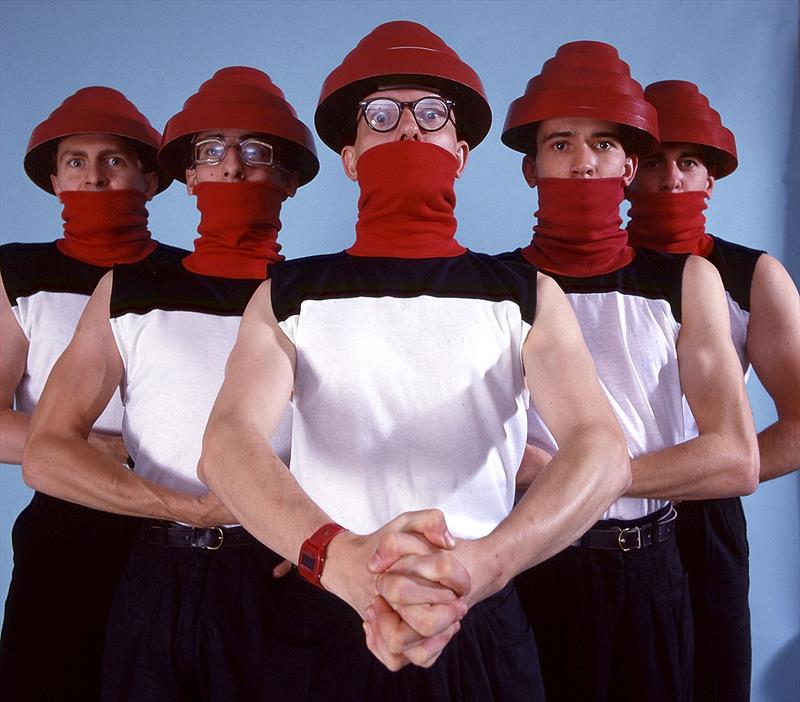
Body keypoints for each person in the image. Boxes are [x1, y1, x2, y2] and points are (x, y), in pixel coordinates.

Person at [199, 21, 630, 701]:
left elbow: (602, 449)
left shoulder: (525, 293)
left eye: (430, 115)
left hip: (477, 613)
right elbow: (227, 442)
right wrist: (339, 559)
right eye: (381, 115)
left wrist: (483, 567)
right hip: (328, 610)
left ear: (459, 153)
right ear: (349, 154)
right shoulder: (287, 294)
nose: (406, 130)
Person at [22, 67, 318, 701]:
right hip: (155, 566)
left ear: (290, 178)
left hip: (282, 568)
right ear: (188, 174)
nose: (232, 169)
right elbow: (47, 453)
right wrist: (183, 507)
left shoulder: (321, 296)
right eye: (212, 151)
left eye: (256, 152)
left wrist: (319, 533)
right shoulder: (129, 292)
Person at [499, 42, 759, 702]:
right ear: (530, 167)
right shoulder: (494, 284)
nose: (583, 162)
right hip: (530, 561)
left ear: (629, 162)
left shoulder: (686, 281)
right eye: (561, 144)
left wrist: (574, 477)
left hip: (646, 566)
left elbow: (734, 459)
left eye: (602, 144)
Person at [0, 87, 183, 701]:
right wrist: (95, 448)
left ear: (151, 180)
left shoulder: (192, 276)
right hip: (69, 520)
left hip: (179, 525)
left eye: (114, 160)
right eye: (76, 161)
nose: (95, 176)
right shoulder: (18, 275)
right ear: (54, 181)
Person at [626, 79, 800, 702]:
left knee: (711, 678)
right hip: (595, 513)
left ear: (711, 178)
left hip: (704, 519)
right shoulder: (578, 275)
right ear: (624, 170)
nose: (672, 180)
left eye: (689, 162)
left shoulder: (753, 276)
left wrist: (719, 468)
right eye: (653, 162)